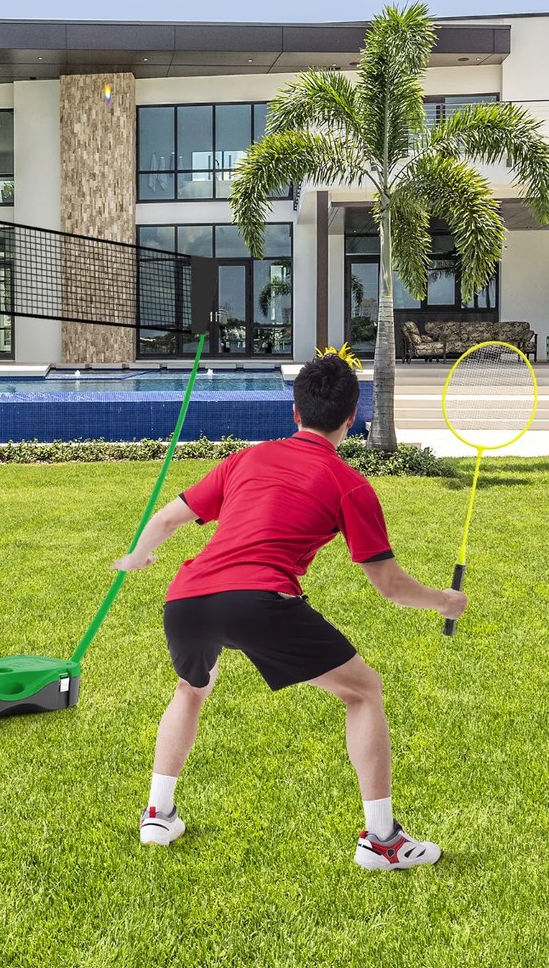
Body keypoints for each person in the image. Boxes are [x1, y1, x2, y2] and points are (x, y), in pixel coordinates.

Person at [112, 354, 467, 870]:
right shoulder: (350, 484)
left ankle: (157, 814)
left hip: (185, 598)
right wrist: (445, 600)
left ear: (294, 414)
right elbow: (388, 586)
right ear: (351, 419)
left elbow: (168, 518)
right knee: (363, 690)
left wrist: (137, 557)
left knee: (191, 688)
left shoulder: (246, 460)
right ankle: (383, 841)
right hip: (258, 601)